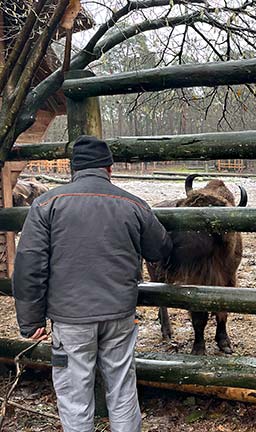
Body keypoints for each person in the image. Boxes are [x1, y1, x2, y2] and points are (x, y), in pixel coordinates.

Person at [13, 135, 172, 432]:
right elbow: (161, 249)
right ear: (108, 169)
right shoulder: (133, 204)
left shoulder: (47, 205)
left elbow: (29, 264)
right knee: (122, 389)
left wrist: (30, 320)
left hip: (69, 318)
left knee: (75, 396)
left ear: (74, 169)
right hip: (119, 314)